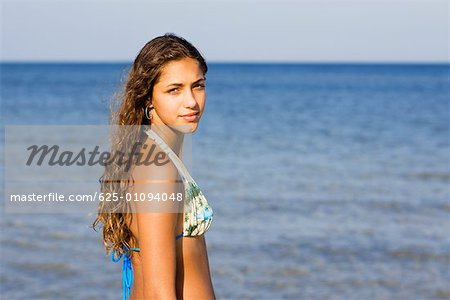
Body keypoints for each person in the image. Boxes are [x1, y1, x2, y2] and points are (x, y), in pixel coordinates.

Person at [92, 33, 215, 299]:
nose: (191, 101)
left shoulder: (157, 155)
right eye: (175, 90)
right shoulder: (157, 168)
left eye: (198, 86)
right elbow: (159, 293)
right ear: (148, 97)